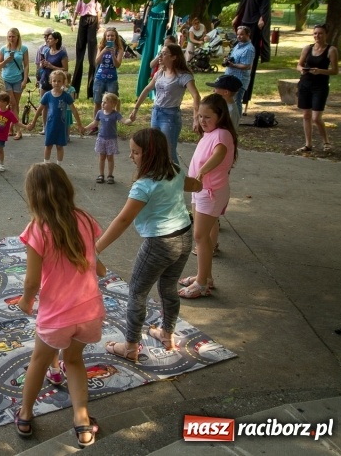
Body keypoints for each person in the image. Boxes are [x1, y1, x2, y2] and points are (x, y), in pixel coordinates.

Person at [15, 163, 104, 448]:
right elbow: (92, 256)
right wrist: (99, 268)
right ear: (67, 188)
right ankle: (82, 422)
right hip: (89, 311)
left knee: (39, 362)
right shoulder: (86, 219)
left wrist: (26, 301)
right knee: (75, 361)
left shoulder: (37, 229)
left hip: (57, 316)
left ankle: (26, 415)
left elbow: (31, 280)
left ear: (33, 195)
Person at [95, 128, 202, 362]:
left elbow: (123, 219)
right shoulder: (173, 169)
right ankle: (167, 333)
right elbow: (194, 185)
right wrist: (201, 183)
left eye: (135, 152)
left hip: (160, 244)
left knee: (137, 292)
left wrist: (96, 249)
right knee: (168, 288)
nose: (131, 156)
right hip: (184, 237)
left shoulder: (144, 186)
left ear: (150, 154)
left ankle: (131, 347)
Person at [178, 94, 238, 299]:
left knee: (200, 237)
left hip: (210, 191)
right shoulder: (210, 133)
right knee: (202, 236)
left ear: (220, 116)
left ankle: (202, 284)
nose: (202, 121)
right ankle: (204, 276)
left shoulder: (222, 134)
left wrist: (202, 172)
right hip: (201, 190)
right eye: (200, 116)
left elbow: (219, 155)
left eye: (207, 117)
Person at [131, 43, 201, 164]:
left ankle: (176, 179)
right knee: (154, 148)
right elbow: (147, 89)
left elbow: (196, 95)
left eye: (164, 53)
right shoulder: (160, 73)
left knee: (168, 152)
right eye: (160, 53)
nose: (160, 56)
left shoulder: (183, 76)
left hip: (170, 116)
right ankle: (158, 177)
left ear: (174, 57)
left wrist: (196, 118)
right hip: (156, 112)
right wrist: (135, 108)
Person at [295, 24, 338, 154]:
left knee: (316, 117)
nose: (317, 36)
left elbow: (335, 71)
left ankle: (326, 142)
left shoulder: (331, 50)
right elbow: (299, 65)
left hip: (320, 86)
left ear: (326, 35)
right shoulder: (308, 48)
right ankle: (308, 144)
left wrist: (320, 71)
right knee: (306, 115)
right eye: (315, 33)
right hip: (305, 84)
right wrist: (302, 70)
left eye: (320, 33)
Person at [232, 0, 271, 115]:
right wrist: (237, 16)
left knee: (249, 64)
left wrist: (262, 18)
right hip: (245, 21)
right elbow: (243, 3)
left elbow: (265, 8)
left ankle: (244, 100)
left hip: (254, 25)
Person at [136, 0, 175, 97]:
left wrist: (169, 21)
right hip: (151, 22)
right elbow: (149, 6)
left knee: (158, 50)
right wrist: (146, 17)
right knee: (148, 51)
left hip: (161, 23)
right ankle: (142, 87)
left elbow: (171, 9)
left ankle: (154, 90)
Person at [28, 70, 73, 165]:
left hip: (61, 126)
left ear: (64, 82)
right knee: (48, 145)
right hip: (50, 125)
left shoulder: (66, 96)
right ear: (51, 81)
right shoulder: (47, 95)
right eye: (54, 81)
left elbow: (74, 110)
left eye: (59, 81)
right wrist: (33, 122)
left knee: (60, 146)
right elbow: (40, 109)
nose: (56, 83)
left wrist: (80, 125)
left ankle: (59, 166)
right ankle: (46, 164)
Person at [84, 93, 125, 184]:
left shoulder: (115, 114)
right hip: (101, 138)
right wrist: (85, 128)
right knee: (102, 157)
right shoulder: (99, 113)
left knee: (110, 157)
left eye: (105, 102)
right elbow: (94, 123)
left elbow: (124, 121)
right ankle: (101, 174)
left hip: (111, 139)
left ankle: (110, 175)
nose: (102, 104)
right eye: (102, 102)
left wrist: (131, 119)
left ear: (113, 104)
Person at [90, 27, 124, 132]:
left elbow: (117, 65)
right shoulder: (101, 46)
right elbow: (96, 61)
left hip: (112, 79)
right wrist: (104, 50)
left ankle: (111, 125)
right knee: (97, 102)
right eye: (108, 35)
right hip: (100, 78)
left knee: (112, 101)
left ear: (115, 37)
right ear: (105, 36)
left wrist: (113, 55)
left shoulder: (119, 49)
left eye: (112, 36)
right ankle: (94, 126)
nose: (110, 37)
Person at [0, 28, 29, 140]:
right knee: (13, 104)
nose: (11, 39)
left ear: (17, 37)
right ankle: (18, 130)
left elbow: (26, 65)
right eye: (9, 36)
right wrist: (7, 60)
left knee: (15, 104)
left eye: (13, 36)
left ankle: (11, 126)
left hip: (18, 79)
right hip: (6, 79)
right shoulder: (3, 49)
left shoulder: (23, 49)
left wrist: (25, 79)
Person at [71, 0, 102, 100]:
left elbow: (98, 11)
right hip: (83, 20)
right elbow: (76, 11)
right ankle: (74, 91)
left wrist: (98, 23)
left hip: (93, 20)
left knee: (92, 60)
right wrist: (73, 22)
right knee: (79, 55)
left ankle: (91, 93)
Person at [223, 26, 255, 117]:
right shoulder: (237, 45)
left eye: (241, 34)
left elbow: (247, 66)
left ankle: (236, 120)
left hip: (240, 79)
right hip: (230, 76)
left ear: (248, 35)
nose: (239, 36)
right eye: (237, 34)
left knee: (236, 100)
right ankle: (230, 119)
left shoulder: (249, 49)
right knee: (228, 99)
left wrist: (233, 65)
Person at [38, 31, 69, 100]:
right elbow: (42, 64)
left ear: (56, 40)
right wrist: (42, 64)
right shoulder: (46, 51)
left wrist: (52, 67)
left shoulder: (62, 54)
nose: (48, 40)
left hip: (56, 82)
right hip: (45, 80)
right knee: (43, 104)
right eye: (47, 38)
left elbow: (66, 69)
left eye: (50, 39)